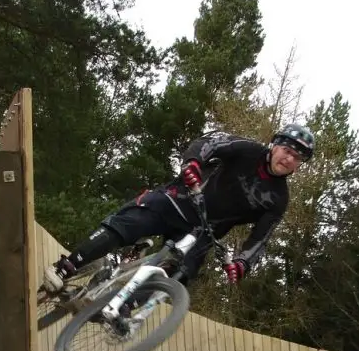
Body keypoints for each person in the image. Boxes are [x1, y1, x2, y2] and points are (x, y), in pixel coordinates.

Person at [43, 123, 315, 294]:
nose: (289, 158)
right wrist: (193, 163)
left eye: (297, 157)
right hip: (182, 199)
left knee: (178, 277)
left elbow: (260, 238)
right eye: (287, 150)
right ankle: (66, 267)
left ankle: (122, 311)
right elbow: (209, 144)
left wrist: (242, 264)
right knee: (132, 222)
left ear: (299, 164)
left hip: (203, 232)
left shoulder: (279, 199)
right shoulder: (248, 150)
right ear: (275, 145)